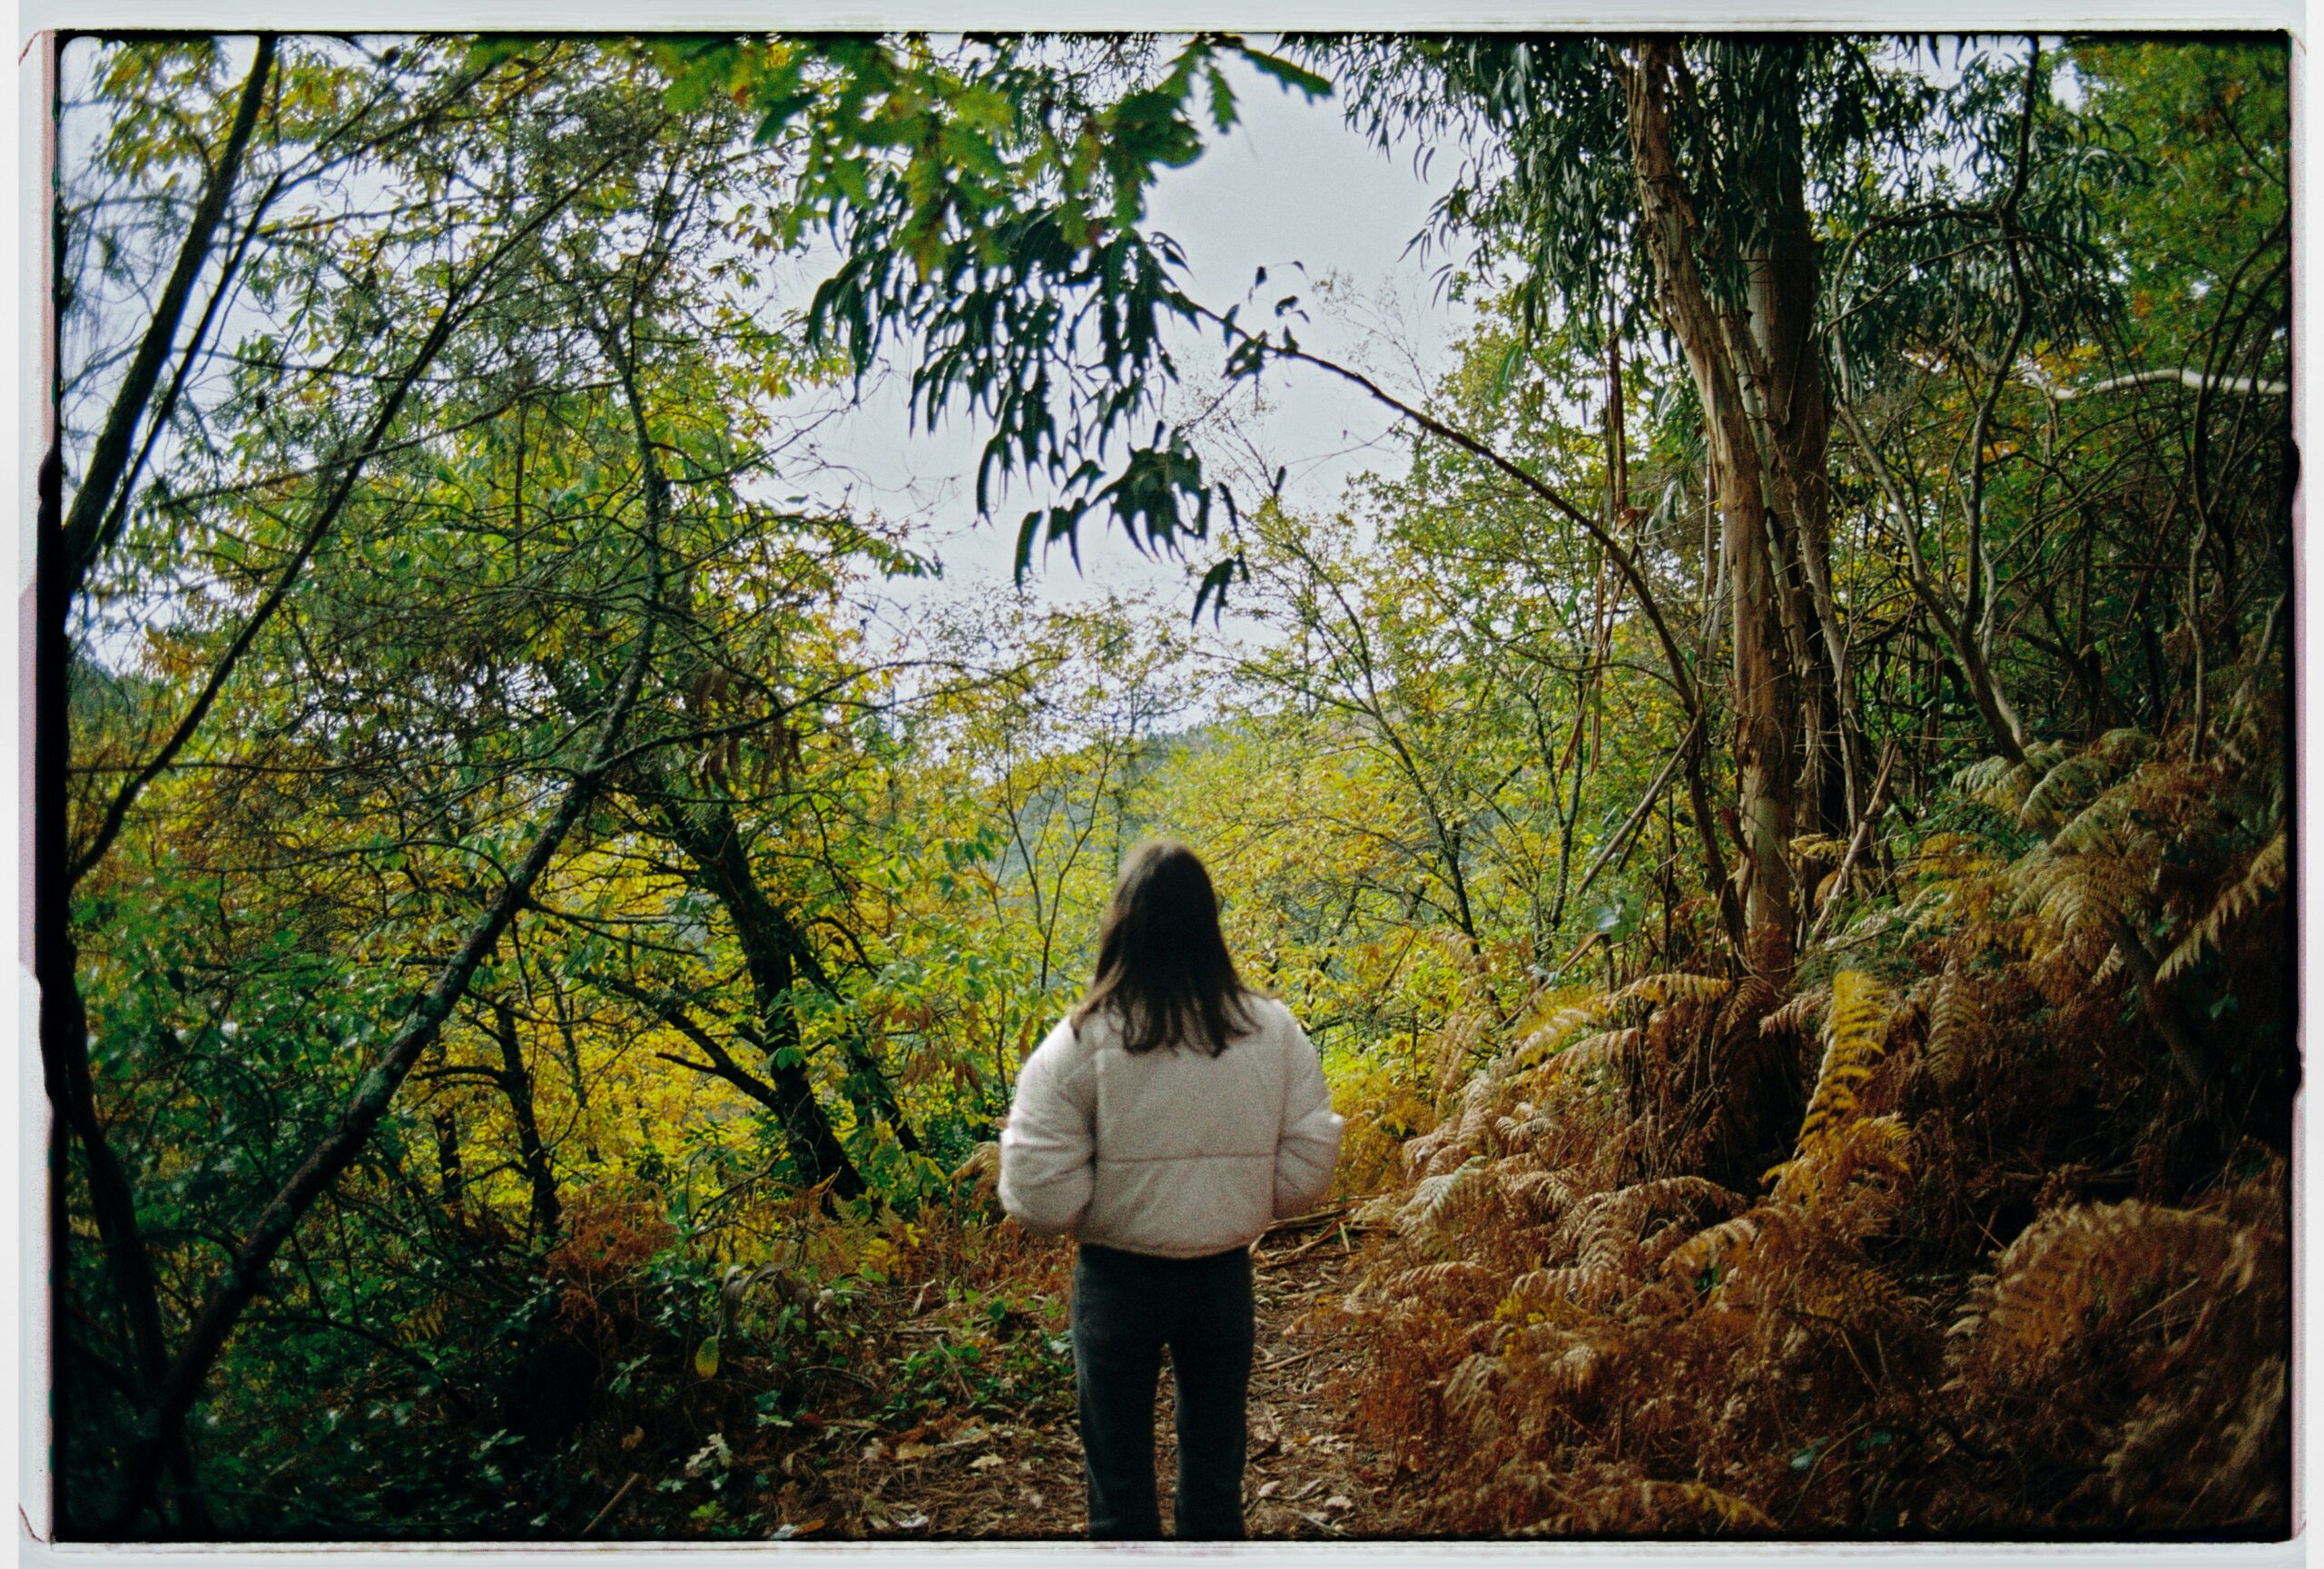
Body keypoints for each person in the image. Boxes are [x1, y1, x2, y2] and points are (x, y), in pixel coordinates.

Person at [997, 838, 1344, 1541]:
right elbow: (1311, 1156)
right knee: (1215, 1487)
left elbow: (1039, 1192)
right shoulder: (1270, 1030)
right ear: (1208, 922)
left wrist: (1103, 1204)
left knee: (1118, 1495)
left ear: (1121, 923)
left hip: (1116, 1281)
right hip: (1221, 1276)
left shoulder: (1081, 1040)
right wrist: (1247, 1201)